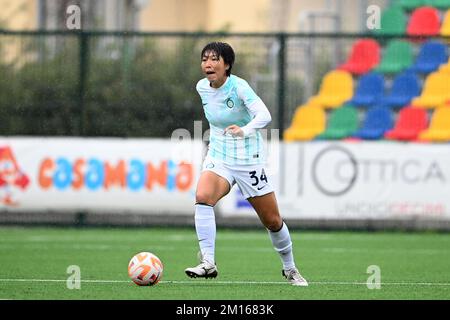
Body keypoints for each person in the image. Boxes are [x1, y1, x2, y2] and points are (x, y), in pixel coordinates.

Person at [184, 42, 308, 286]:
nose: (208, 64)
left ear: (227, 64)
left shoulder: (239, 87)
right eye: (204, 59)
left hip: (248, 160)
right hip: (219, 155)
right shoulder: (202, 87)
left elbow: (264, 115)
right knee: (203, 196)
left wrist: (244, 129)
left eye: (214, 59)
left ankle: (290, 268)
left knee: (272, 220)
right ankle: (208, 263)